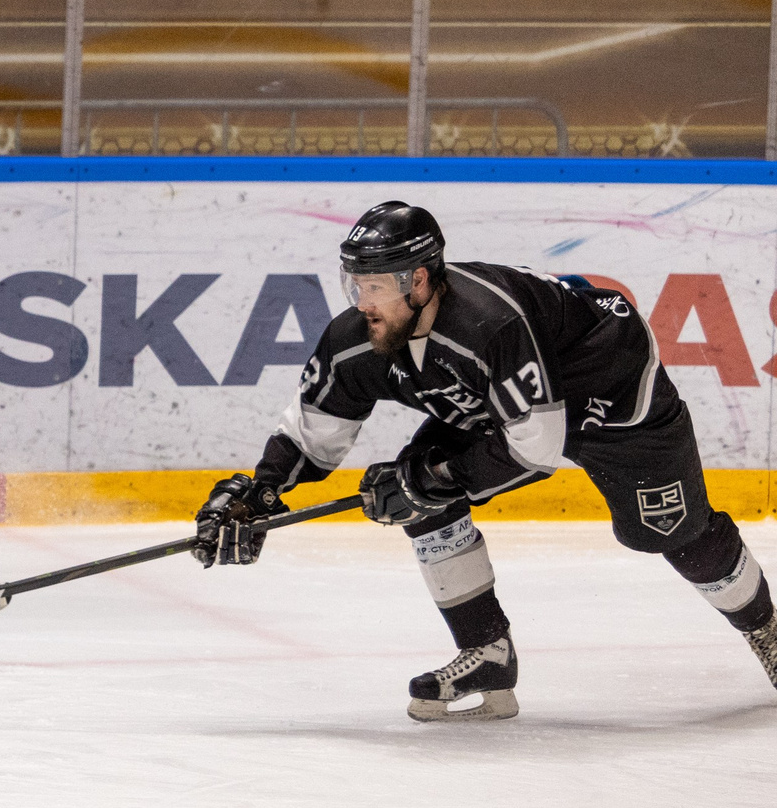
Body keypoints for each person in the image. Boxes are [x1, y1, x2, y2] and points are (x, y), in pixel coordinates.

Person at [194, 200, 777, 721]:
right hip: (503, 401)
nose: (360, 302)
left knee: (673, 534)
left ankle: (766, 630)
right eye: (354, 285)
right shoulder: (358, 339)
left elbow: (537, 445)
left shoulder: (487, 324)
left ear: (419, 280)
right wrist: (258, 493)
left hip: (610, 387)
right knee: (414, 490)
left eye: (375, 287)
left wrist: (439, 478)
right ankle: (487, 653)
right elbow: (313, 434)